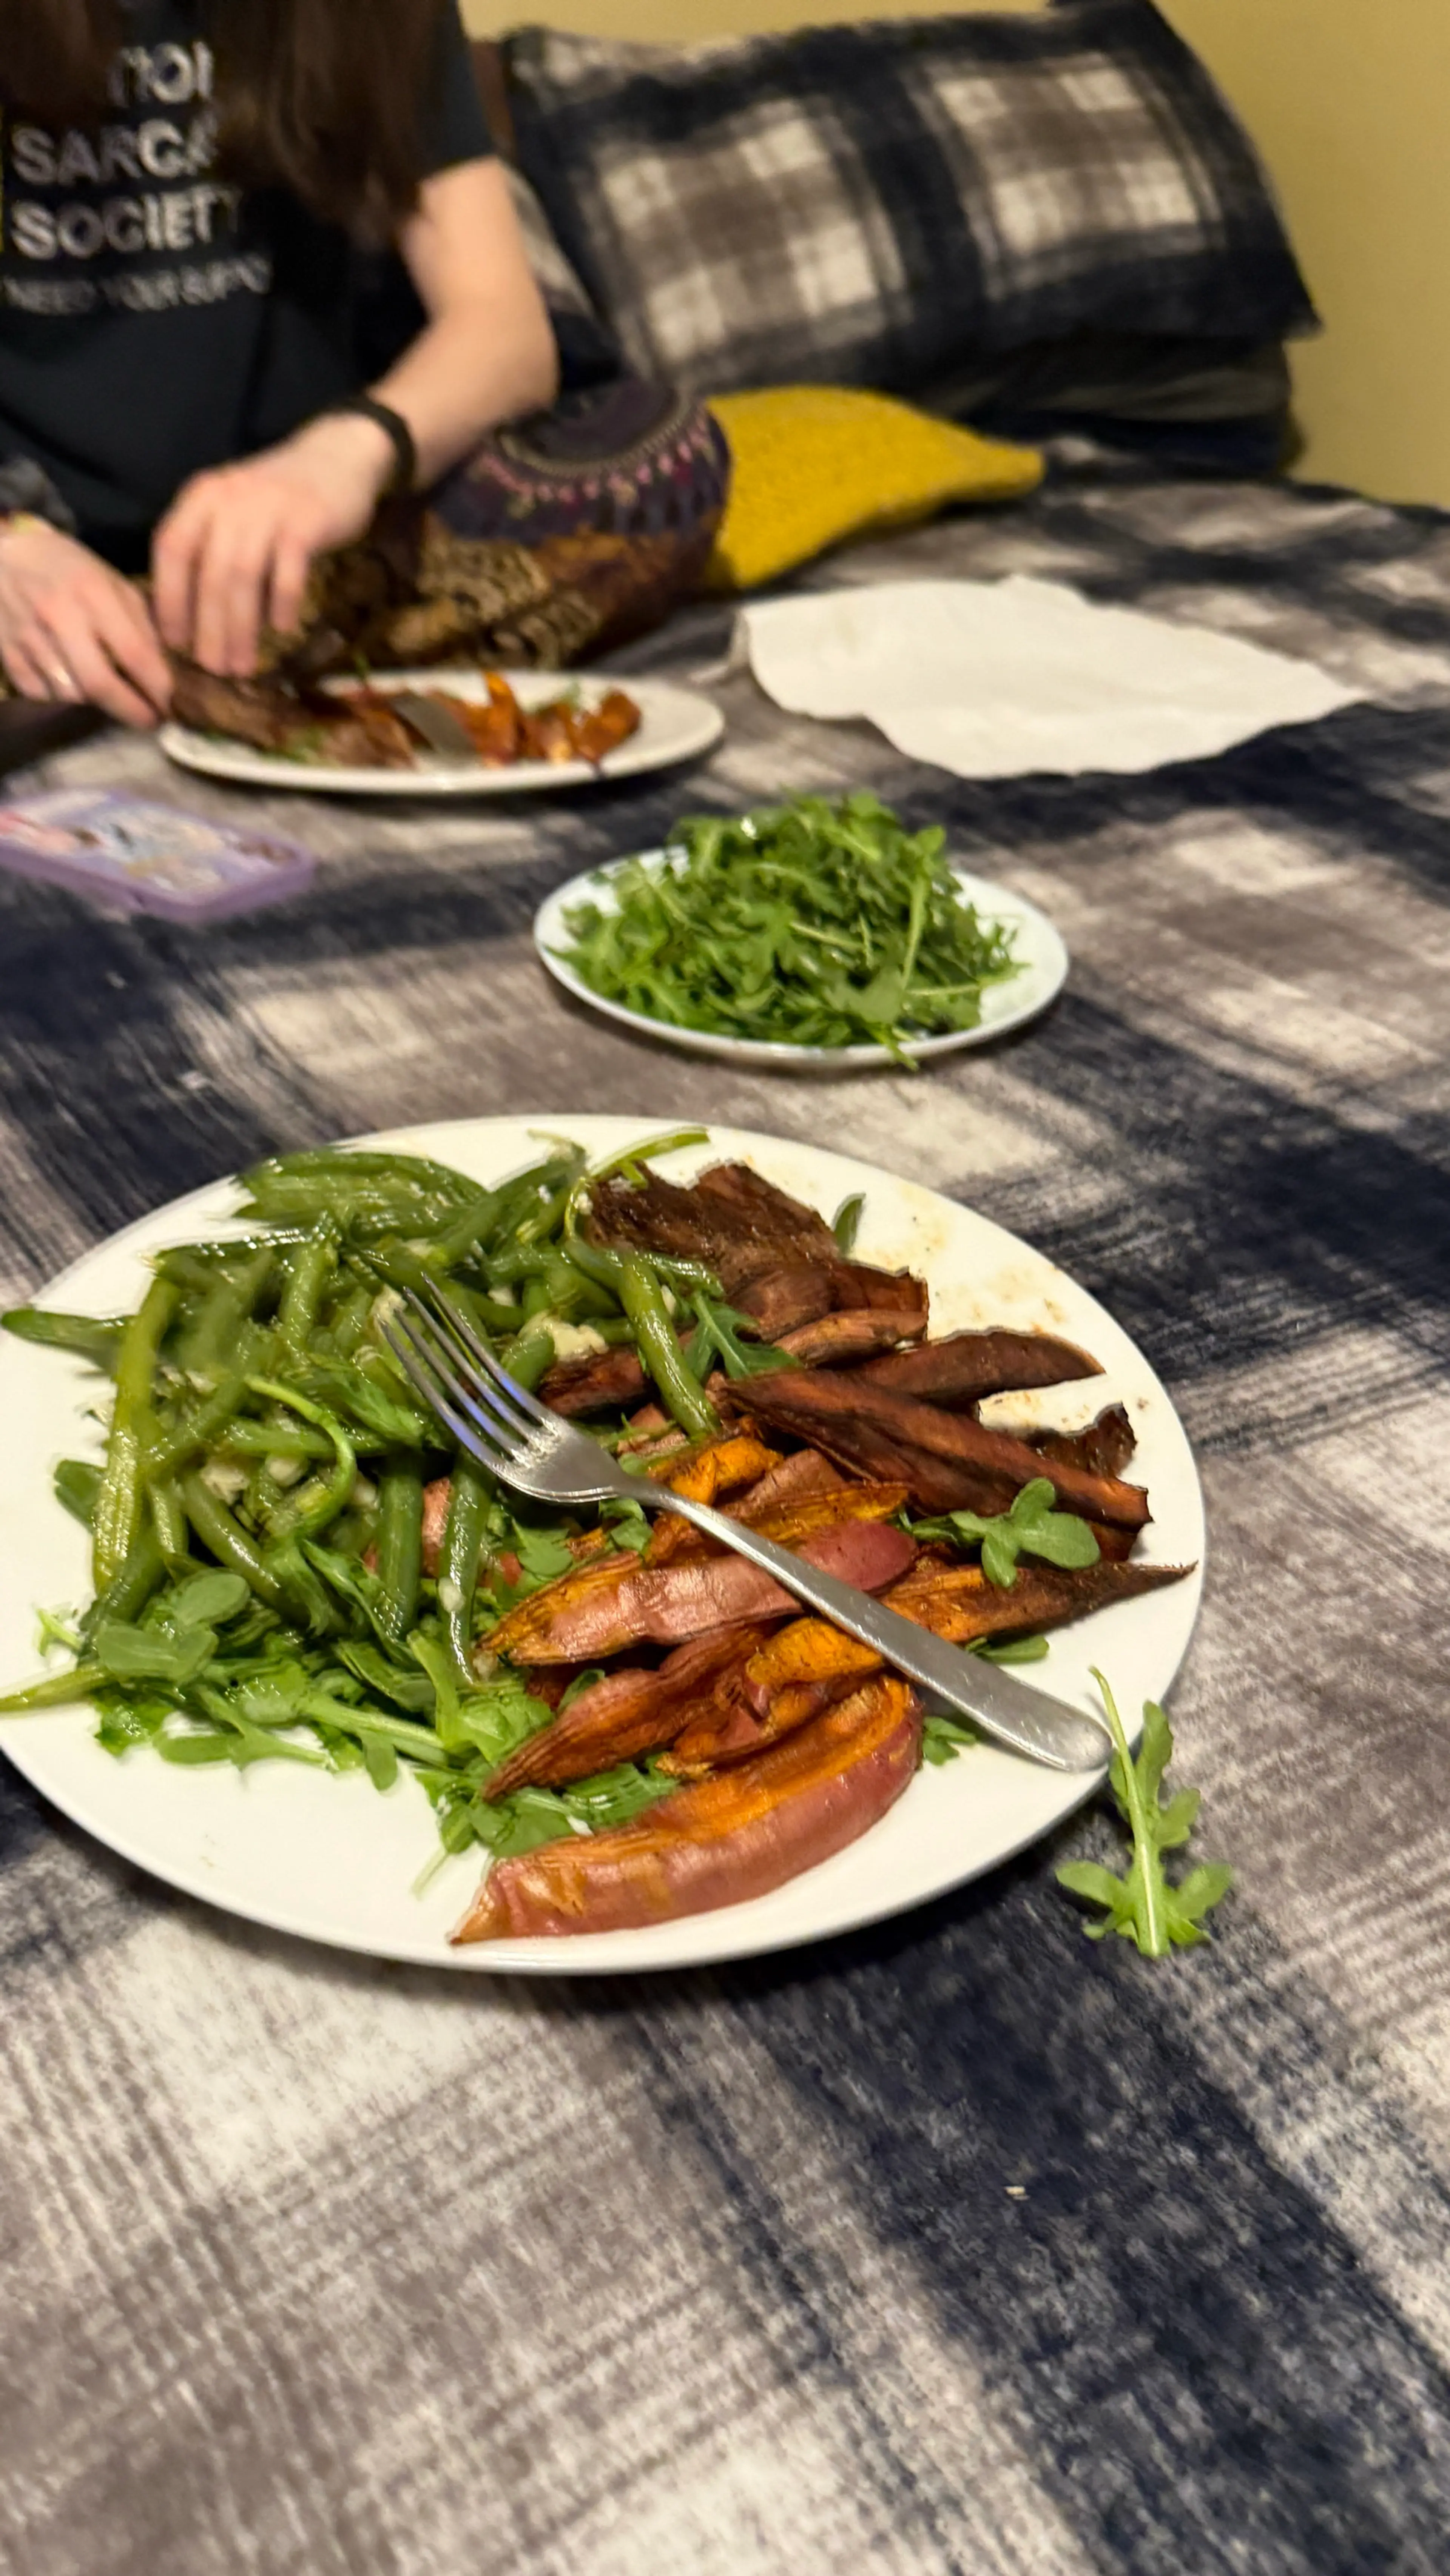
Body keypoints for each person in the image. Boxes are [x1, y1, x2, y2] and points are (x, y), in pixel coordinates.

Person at [0, 2, 716, 729]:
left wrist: (345, 455)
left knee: (665, 460)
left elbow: (505, 333)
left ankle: (152, 676)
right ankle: (185, 679)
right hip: (35, 549)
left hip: (300, 564)